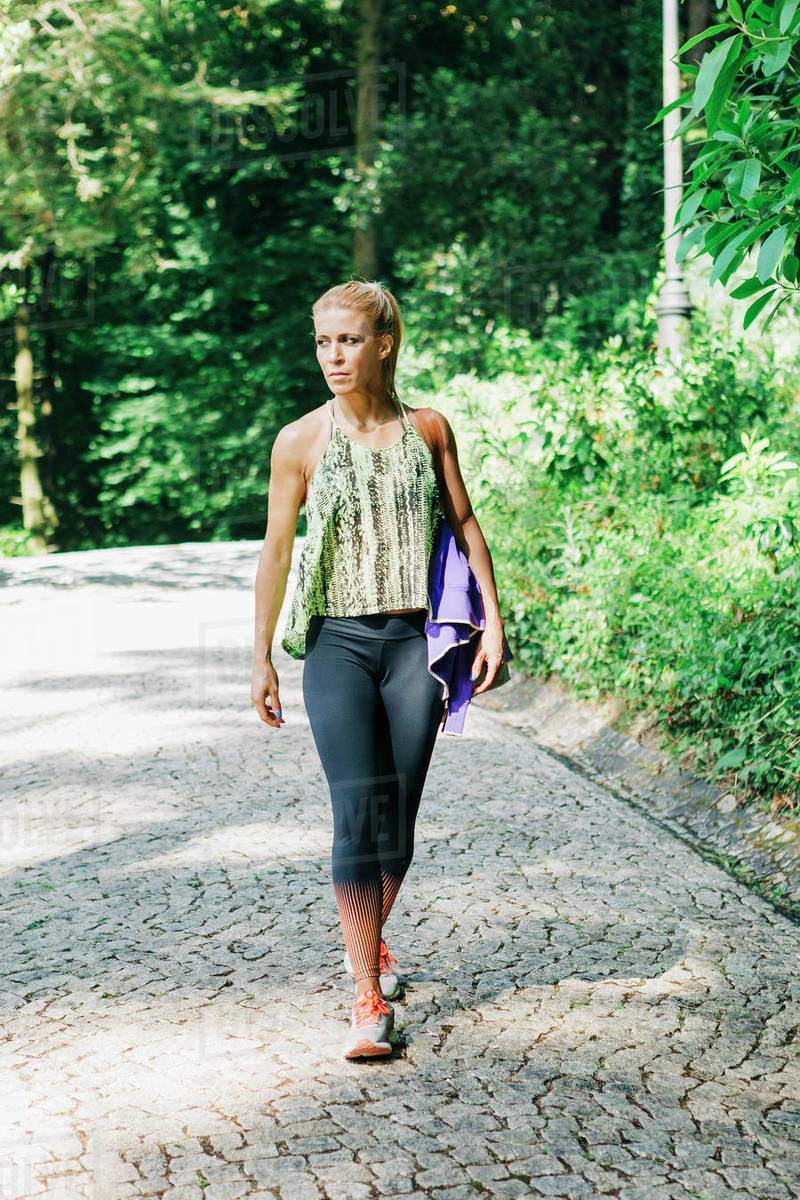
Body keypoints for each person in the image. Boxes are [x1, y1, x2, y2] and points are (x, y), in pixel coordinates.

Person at [251, 279, 506, 1059]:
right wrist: (258, 654)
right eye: (323, 340)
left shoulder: (428, 431)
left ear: (384, 343)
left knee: (397, 828)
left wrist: (494, 618)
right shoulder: (301, 440)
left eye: (349, 340)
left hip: (413, 648)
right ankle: (367, 998)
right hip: (337, 646)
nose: (333, 355)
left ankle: (373, 948)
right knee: (358, 816)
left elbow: (462, 521)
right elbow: (276, 549)